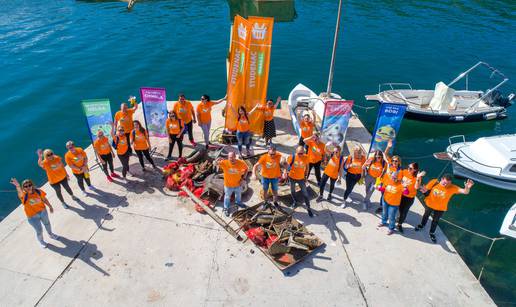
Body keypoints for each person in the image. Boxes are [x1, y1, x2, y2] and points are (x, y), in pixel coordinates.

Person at [415, 175, 474, 243]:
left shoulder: (452, 187)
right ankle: (422, 225)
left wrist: (467, 187)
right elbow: (426, 189)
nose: (446, 185)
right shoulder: (434, 182)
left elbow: (465, 192)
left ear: (450, 183)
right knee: (425, 215)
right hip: (430, 204)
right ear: (442, 179)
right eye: (444, 183)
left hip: (441, 208)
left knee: (435, 221)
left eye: (448, 184)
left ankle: (432, 233)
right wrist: (423, 189)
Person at [10, 178, 58, 248]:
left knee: (47, 224)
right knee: (39, 230)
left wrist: (50, 206)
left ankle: (51, 234)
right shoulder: (24, 196)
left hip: (43, 212)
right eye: (26, 186)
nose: (28, 187)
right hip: (32, 217)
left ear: (32, 185)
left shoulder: (38, 191)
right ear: (23, 188)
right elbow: (20, 192)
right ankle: (41, 241)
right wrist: (17, 186)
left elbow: (44, 199)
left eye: (29, 185)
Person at [217, 151, 249, 217]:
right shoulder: (224, 163)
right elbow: (215, 164)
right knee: (227, 197)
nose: (231, 159)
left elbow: (246, 169)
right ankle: (226, 208)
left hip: (238, 184)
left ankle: (238, 203)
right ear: (228, 158)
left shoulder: (240, 163)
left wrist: (243, 179)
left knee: (238, 195)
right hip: (228, 185)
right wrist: (216, 161)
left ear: (235, 157)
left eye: (232, 157)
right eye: (229, 157)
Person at [284, 145, 313, 217]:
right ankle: (295, 201)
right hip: (292, 178)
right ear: (296, 152)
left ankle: (308, 208)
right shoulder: (292, 157)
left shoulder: (306, 157)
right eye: (299, 153)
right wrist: (285, 172)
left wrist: (306, 176)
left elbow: (307, 167)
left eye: (302, 153)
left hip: (301, 178)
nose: (301, 155)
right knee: (292, 191)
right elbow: (286, 166)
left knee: (305, 193)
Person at [396, 163, 425, 233]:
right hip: (401, 194)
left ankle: (399, 224)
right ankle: (399, 218)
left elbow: (416, 187)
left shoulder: (416, 177)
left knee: (404, 212)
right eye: (408, 167)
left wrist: (418, 178)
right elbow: (399, 179)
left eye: (411, 168)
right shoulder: (405, 171)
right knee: (399, 209)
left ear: (415, 170)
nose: (408, 169)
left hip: (409, 198)